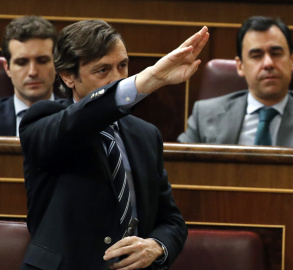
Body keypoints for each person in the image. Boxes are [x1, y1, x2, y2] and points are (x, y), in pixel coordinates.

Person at [19, 20, 209, 270]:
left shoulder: (145, 134)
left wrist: (156, 246)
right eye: (102, 70)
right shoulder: (43, 120)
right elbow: (82, 118)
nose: (118, 78)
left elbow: (171, 220)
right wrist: (148, 79)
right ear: (68, 76)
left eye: (122, 66)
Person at [177, 16, 293, 214]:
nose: (268, 63)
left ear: (292, 59)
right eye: (256, 55)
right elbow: (179, 181)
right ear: (240, 66)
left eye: (276, 53)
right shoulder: (205, 115)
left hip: (288, 225)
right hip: (219, 218)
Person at [0, 16, 57, 136]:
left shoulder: (79, 117)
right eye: (22, 62)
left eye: (42, 61)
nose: (32, 72)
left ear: (56, 63)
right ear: (7, 67)